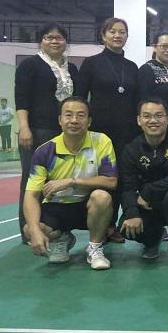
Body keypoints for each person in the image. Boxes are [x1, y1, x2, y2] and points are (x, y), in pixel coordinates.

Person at [23, 96, 117, 270]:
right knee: (30, 228)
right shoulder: (44, 151)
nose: (74, 120)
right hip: (57, 206)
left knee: (102, 197)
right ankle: (62, 239)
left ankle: (95, 248)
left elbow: (111, 181)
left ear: (89, 121)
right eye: (68, 115)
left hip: (86, 206)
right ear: (60, 120)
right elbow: (31, 195)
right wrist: (35, 231)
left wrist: (72, 181)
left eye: (80, 115)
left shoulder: (101, 141)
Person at [77, 17, 139, 243]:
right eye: (112, 31)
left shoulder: (132, 67)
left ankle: (113, 225)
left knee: (122, 179)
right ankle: (99, 225)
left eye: (122, 32)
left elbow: (136, 101)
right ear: (103, 36)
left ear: (127, 36)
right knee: (102, 178)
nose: (117, 35)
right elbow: (80, 98)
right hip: (99, 133)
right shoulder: (91, 63)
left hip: (127, 133)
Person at [15, 23, 79, 240]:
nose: (54, 41)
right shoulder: (30, 65)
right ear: (41, 41)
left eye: (59, 37)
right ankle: (29, 230)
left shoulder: (72, 69)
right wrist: (24, 127)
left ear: (65, 42)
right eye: (49, 37)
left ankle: (54, 225)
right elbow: (21, 98)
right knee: (32, 180)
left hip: (65, 133)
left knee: (60, 180)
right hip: (36, 131)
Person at [119, 98, 168, 270]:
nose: (153, 120)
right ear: (139, 120)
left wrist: (148, 192)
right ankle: (152, 240)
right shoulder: (131, 149)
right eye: (147, 116)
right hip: (146, 206)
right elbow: (128, 186)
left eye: (159, 115)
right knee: (127, 228)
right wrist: (132, 213)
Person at [138, 32, 168, 131]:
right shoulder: (147, 69)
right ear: (155, 47)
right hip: (154, 128)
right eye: (164, 46)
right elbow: (142, 101)